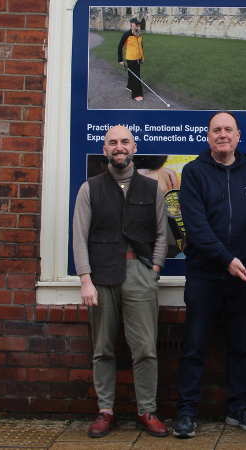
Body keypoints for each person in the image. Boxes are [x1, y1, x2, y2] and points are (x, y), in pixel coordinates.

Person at [173, 111, 246, 438]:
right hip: (205, 275)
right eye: (216, 130)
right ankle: (187, 412)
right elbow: (197, 228)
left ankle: (238, 408)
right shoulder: (193, 172)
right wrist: (226, 259)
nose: (222, 135)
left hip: (244, 277)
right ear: (208, 136)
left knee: (241, 346)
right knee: (194, 346)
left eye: (228, 130)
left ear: (238, 135)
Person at [72, 125, 170, 439]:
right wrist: (85, 280)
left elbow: (161, 234)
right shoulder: (90, 188)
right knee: (102, 348)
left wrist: (154, 268)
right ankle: (106, 411)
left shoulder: (151, 188)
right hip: (100, 278)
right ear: (105, 150)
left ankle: (146, 411)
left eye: (124, 142)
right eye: (112, 142)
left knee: (145, 348)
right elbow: (79, 238)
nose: (119, 147)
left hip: (140, 275)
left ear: (134, 147)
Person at [118, 17, 145, 101]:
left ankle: (130, 87)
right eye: (136, 24)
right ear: (131, 24)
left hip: (138, 58)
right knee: (136, 76)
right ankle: (136, 94)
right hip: (131, 58)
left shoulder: (139, 35)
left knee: (132, 74)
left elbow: (141, 47)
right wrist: (120, 60)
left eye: (138, 24)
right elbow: (120, 47)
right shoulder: (127, 34)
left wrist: (142, 57)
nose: (137, 25)